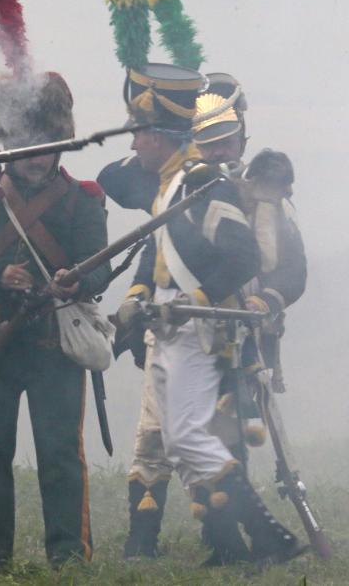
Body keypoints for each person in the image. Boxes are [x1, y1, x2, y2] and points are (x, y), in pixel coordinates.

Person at [106, 73, 307, 563]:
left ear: (242, 138)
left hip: (231, 335)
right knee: (159, 435)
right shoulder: (182, 184)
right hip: (178, 327)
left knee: (220, 435)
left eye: (227, 140)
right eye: (207, 139)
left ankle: (232, 543)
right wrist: (138, 296)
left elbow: (286, 270)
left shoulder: (258, 197)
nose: (219, 150)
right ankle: (147, 542)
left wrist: (266, 302)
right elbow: (152, 248)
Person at [0, 73, 107, 567]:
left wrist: (77, 281)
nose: (35, 153)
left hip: (53, 346)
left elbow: (99, 265)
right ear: (6, 142)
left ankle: (69, 554)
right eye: (24, 142)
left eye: (44, 143)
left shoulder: (83, 199)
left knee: (61, 452)